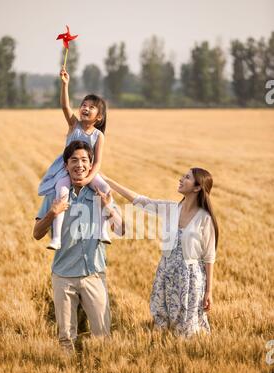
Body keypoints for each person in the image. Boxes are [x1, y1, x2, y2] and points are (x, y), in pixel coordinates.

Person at [101, 168, 219, 338]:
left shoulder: (204, 218)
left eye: (187, 177)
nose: (181, 179)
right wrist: (109, 181)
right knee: (162, 320)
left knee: (186, 327)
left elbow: (209, 257)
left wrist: (209, 292)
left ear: (197, 187)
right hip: (165, 272)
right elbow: (140, 201)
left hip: (190, 279)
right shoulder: (172, 208)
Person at [34, 140, 124, 353]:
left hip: (94, 274)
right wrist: (52, 213)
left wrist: (108, 208)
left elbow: (121, 230)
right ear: (66, 166)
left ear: (91, 165)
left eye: (84, 160)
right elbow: (37, 234)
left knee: (103, 335)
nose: (79, 165)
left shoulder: (101, 194)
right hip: (63, 276)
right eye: (74, 160)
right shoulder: (54, 196)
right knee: (66, 338)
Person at [38, 66, 111, 250]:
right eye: (83, 105)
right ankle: (56, 239)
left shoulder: (98, 136)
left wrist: (87, 179)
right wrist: (65, 85)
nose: (85, 108)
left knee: (104, 188)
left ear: (99, 117)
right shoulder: (74, 125)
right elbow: (64, 105)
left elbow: (98, 162)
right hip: (66, 169)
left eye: (91, 107)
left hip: (88, 171)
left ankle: (103, 231)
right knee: (61, 194)